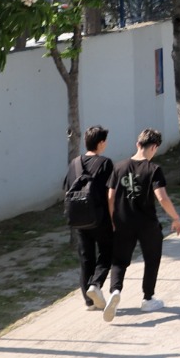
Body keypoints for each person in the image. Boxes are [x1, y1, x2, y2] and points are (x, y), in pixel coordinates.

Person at [100, 128, 180, 320]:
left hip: (123, 222)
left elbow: (110, 197)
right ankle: (148, 298)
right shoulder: (153, 169)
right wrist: (176, 218)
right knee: (152, 259)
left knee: (119, 260)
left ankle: (115, 291)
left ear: (138, 144)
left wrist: (112, 220)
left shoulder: (119, 167)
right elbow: (162, 198)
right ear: (154, 147)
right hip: (147, 223)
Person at [61, 125, 117, 311]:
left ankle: (89, 301)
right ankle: (96, 284)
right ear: (100, 143)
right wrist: (114, 218)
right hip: (100, 218)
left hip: (79, 218)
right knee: (107, 252)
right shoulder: (105, 163)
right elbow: (110, 194)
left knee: (86, 258)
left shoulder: (74, 163)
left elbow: (67, 188)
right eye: (105, 141)